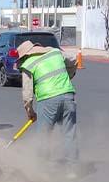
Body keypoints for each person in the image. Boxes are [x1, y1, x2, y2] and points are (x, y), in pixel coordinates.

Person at [16, 40, 79, 174]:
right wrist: (68, 76)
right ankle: (72, 170)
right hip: (68, 96)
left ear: (24, 56)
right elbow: (74, 60)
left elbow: (27, 95)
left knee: (43, 136)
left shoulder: (28, 64)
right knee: (69, 134)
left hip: (47, 100)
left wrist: (30, 112)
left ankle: (42, 171)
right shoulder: (55, 53)